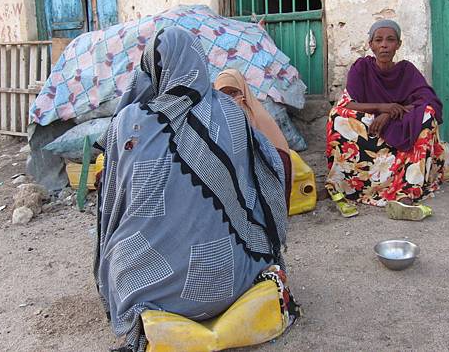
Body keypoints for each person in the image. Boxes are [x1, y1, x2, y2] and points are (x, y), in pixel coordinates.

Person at [94, 27, 298, 351]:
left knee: (119, 235)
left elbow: (112, 202)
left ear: (152, 70)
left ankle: (150, 311)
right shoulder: (231, 112)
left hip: (152, 292)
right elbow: (269, 167)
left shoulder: (129, 120)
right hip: (236, 281)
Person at [325, 19, 449, 219]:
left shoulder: (407, 70)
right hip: (370, 125)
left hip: (400, 121)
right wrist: (382, 108)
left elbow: (429, 100)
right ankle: (347, 183)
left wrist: (389, 113)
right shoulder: (361, 67)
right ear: (371, 45)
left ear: (398, 45)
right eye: (379, 40)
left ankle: (407, 190)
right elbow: (348, 104)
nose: (384, 44)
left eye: (390, 40)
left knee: (427, 115)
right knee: (338, 117)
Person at [214, 69, 292, 209]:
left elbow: (279, 159)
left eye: (233, 93)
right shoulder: (217, 122)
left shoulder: (258, 117)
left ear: (243, 91)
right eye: (224, 94)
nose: (230, 99)